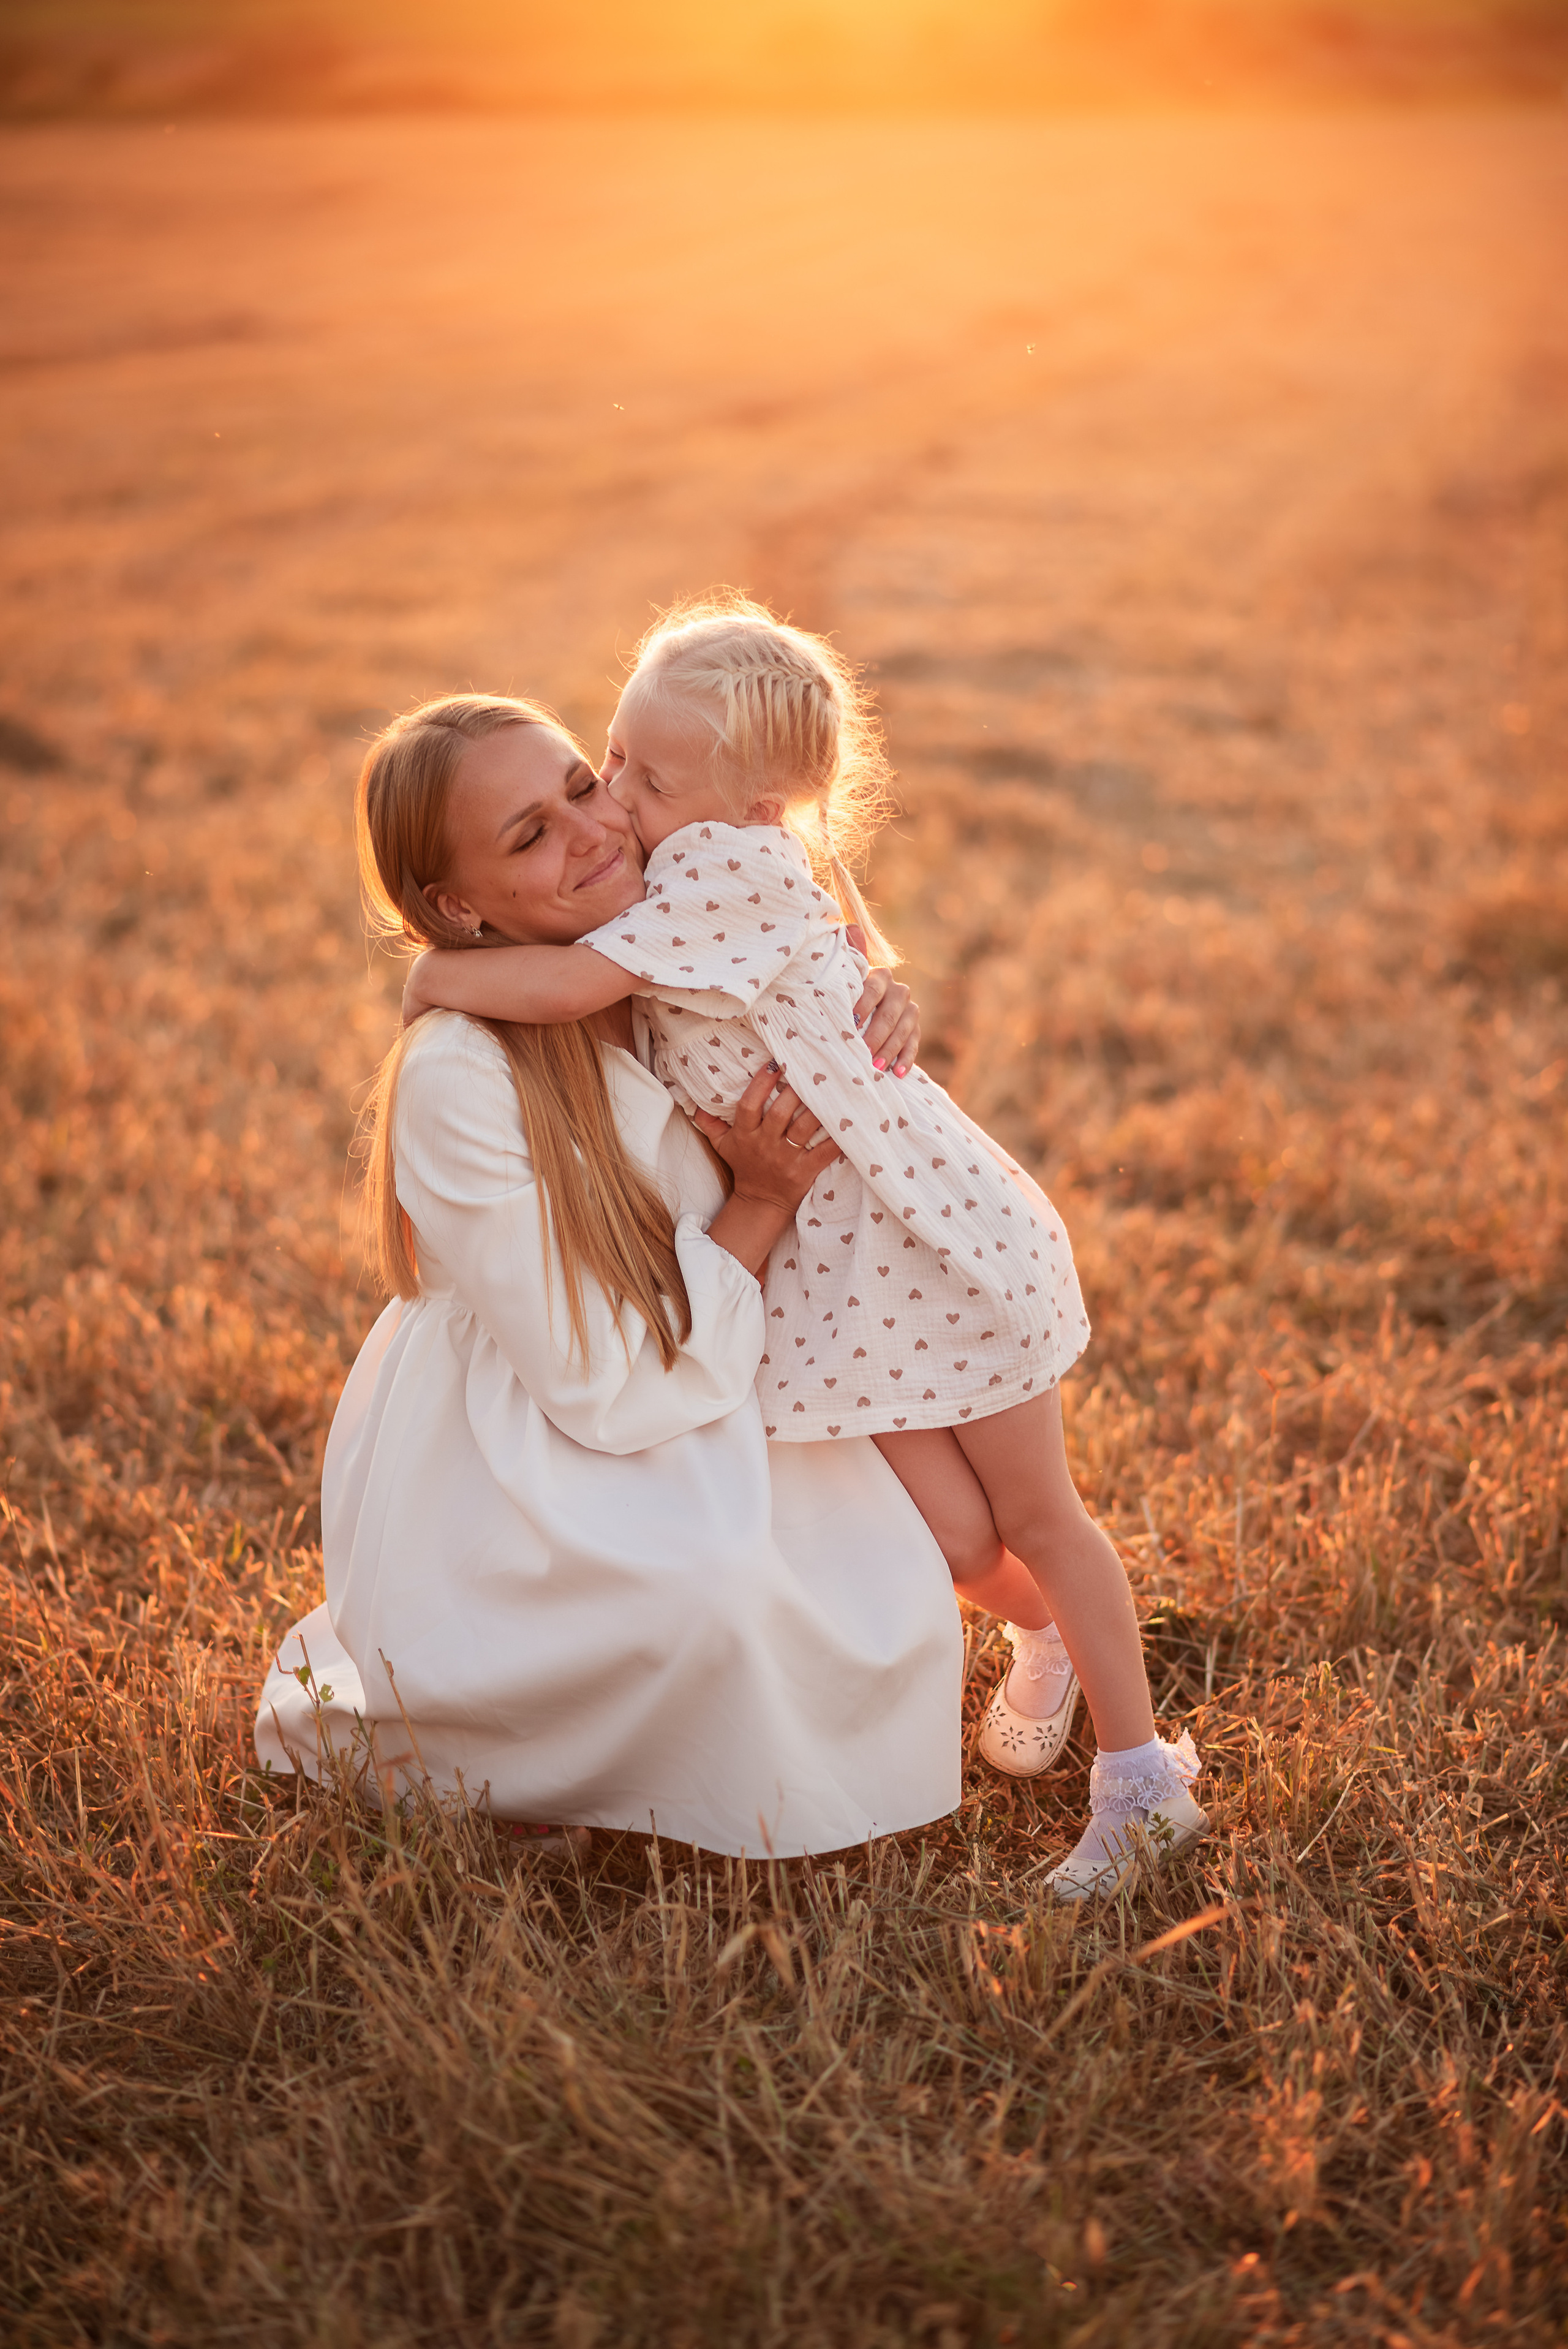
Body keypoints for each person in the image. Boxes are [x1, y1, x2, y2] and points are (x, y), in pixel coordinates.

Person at [404, 595, 1208, 1900]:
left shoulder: (714, 866)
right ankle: (1047, 1642)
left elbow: (561, 985)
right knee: (951, 1541)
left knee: (1037, 1515)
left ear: (746, 806)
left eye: (639, 775)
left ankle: (1140, 1780)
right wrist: (871, 976)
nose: (615, 795)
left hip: (921, 1241)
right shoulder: (702, 848)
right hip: (843, 1278)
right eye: (612, 754)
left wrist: (435, 979)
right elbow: (836, 950)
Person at [255, 692, 964, 1859]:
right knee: (714, 1599)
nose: (591, 831)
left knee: (904, 1578)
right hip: (545, 1431)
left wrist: (873, 1001)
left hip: (710, 1347)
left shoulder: (668, 957)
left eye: (582, 785)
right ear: (454, 906)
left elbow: (824, 957)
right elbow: (602, 1388)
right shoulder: (461, 1075)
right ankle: (518, 1747)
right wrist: (761, 1200)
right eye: (529, 834)